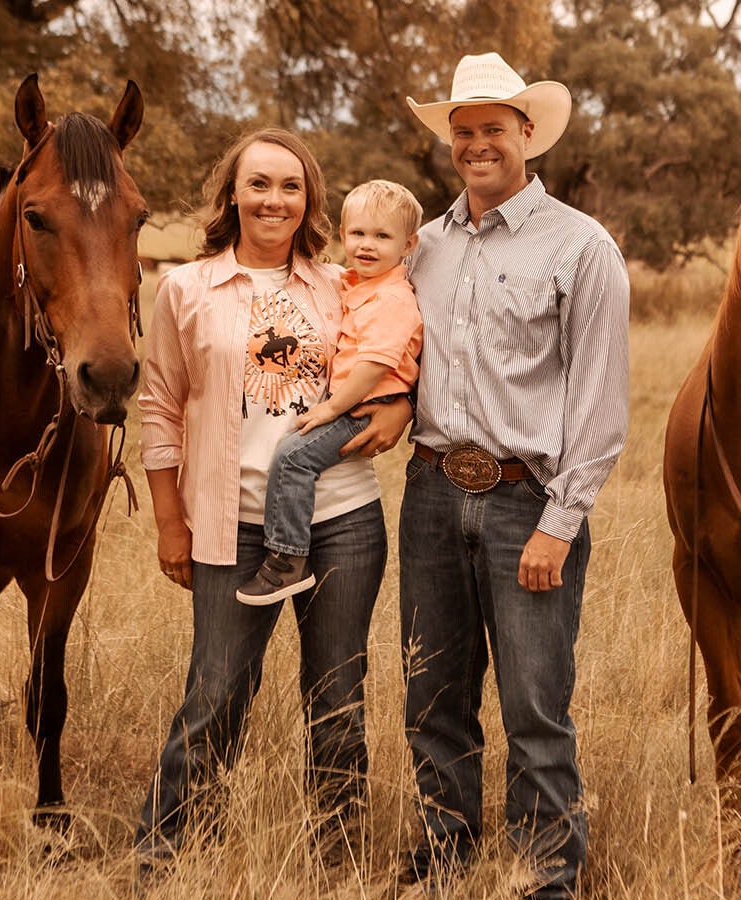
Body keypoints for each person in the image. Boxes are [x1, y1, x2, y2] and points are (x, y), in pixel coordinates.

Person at [394, 51, 631, 897]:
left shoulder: (580, 246)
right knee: (432, 697)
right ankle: (441, 862)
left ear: (528, 133)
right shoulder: (420, 246)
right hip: (427, 493)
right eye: (464, 131)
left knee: (536, 710)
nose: (476, 143)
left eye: (493, 127)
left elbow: (600, 404)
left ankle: (548, 878)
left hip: (523, 501)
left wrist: (559, 524)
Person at [133, 127, 401, 873]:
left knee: (338, 697)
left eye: (290, 186)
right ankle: (166, 858)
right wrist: (167, 520)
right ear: (233, 194)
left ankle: (336, 861)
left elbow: (391, 359)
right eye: (259, 184)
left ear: (309, 198)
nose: (274, 199)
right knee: (215, 694)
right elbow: (157, 407)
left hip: (342, 519)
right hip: (232, 523)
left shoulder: (341, 286)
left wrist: (400, 408)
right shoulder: (185, 289)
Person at [237, 179, 424, 605]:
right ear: (342, 235)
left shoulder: (392, 298)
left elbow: (375, 364)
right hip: (352, 404)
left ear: (408, 244)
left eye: (382, 236)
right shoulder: (357, 284)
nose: (367, 245)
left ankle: (286, 559)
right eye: (357, 233)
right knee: (294, 456)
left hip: (363, 408)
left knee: (292, 457)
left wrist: (331, 408)